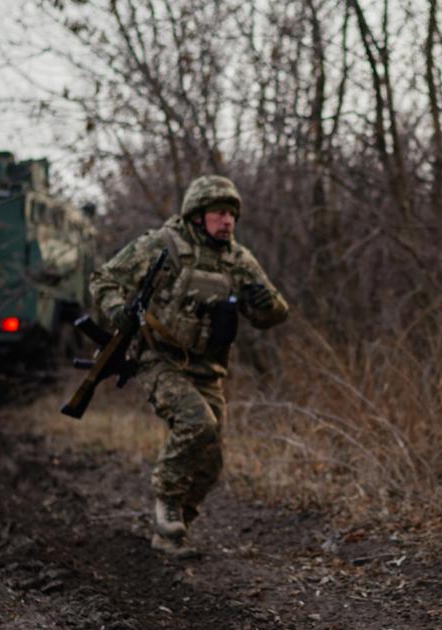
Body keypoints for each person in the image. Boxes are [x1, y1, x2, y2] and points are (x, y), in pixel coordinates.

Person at [90, 175, 288, 558]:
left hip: (208, 369)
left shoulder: (238, 260)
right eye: (218, 213)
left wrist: (268, 304)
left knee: (211, 463)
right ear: (197, 215)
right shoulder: (163, 246)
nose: (227, 221)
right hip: (158, 359)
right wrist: (120, 312)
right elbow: (104, 279)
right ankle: (166, 500)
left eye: (232, 214)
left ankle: (172, 533)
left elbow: (271, 314)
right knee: (197, 424)